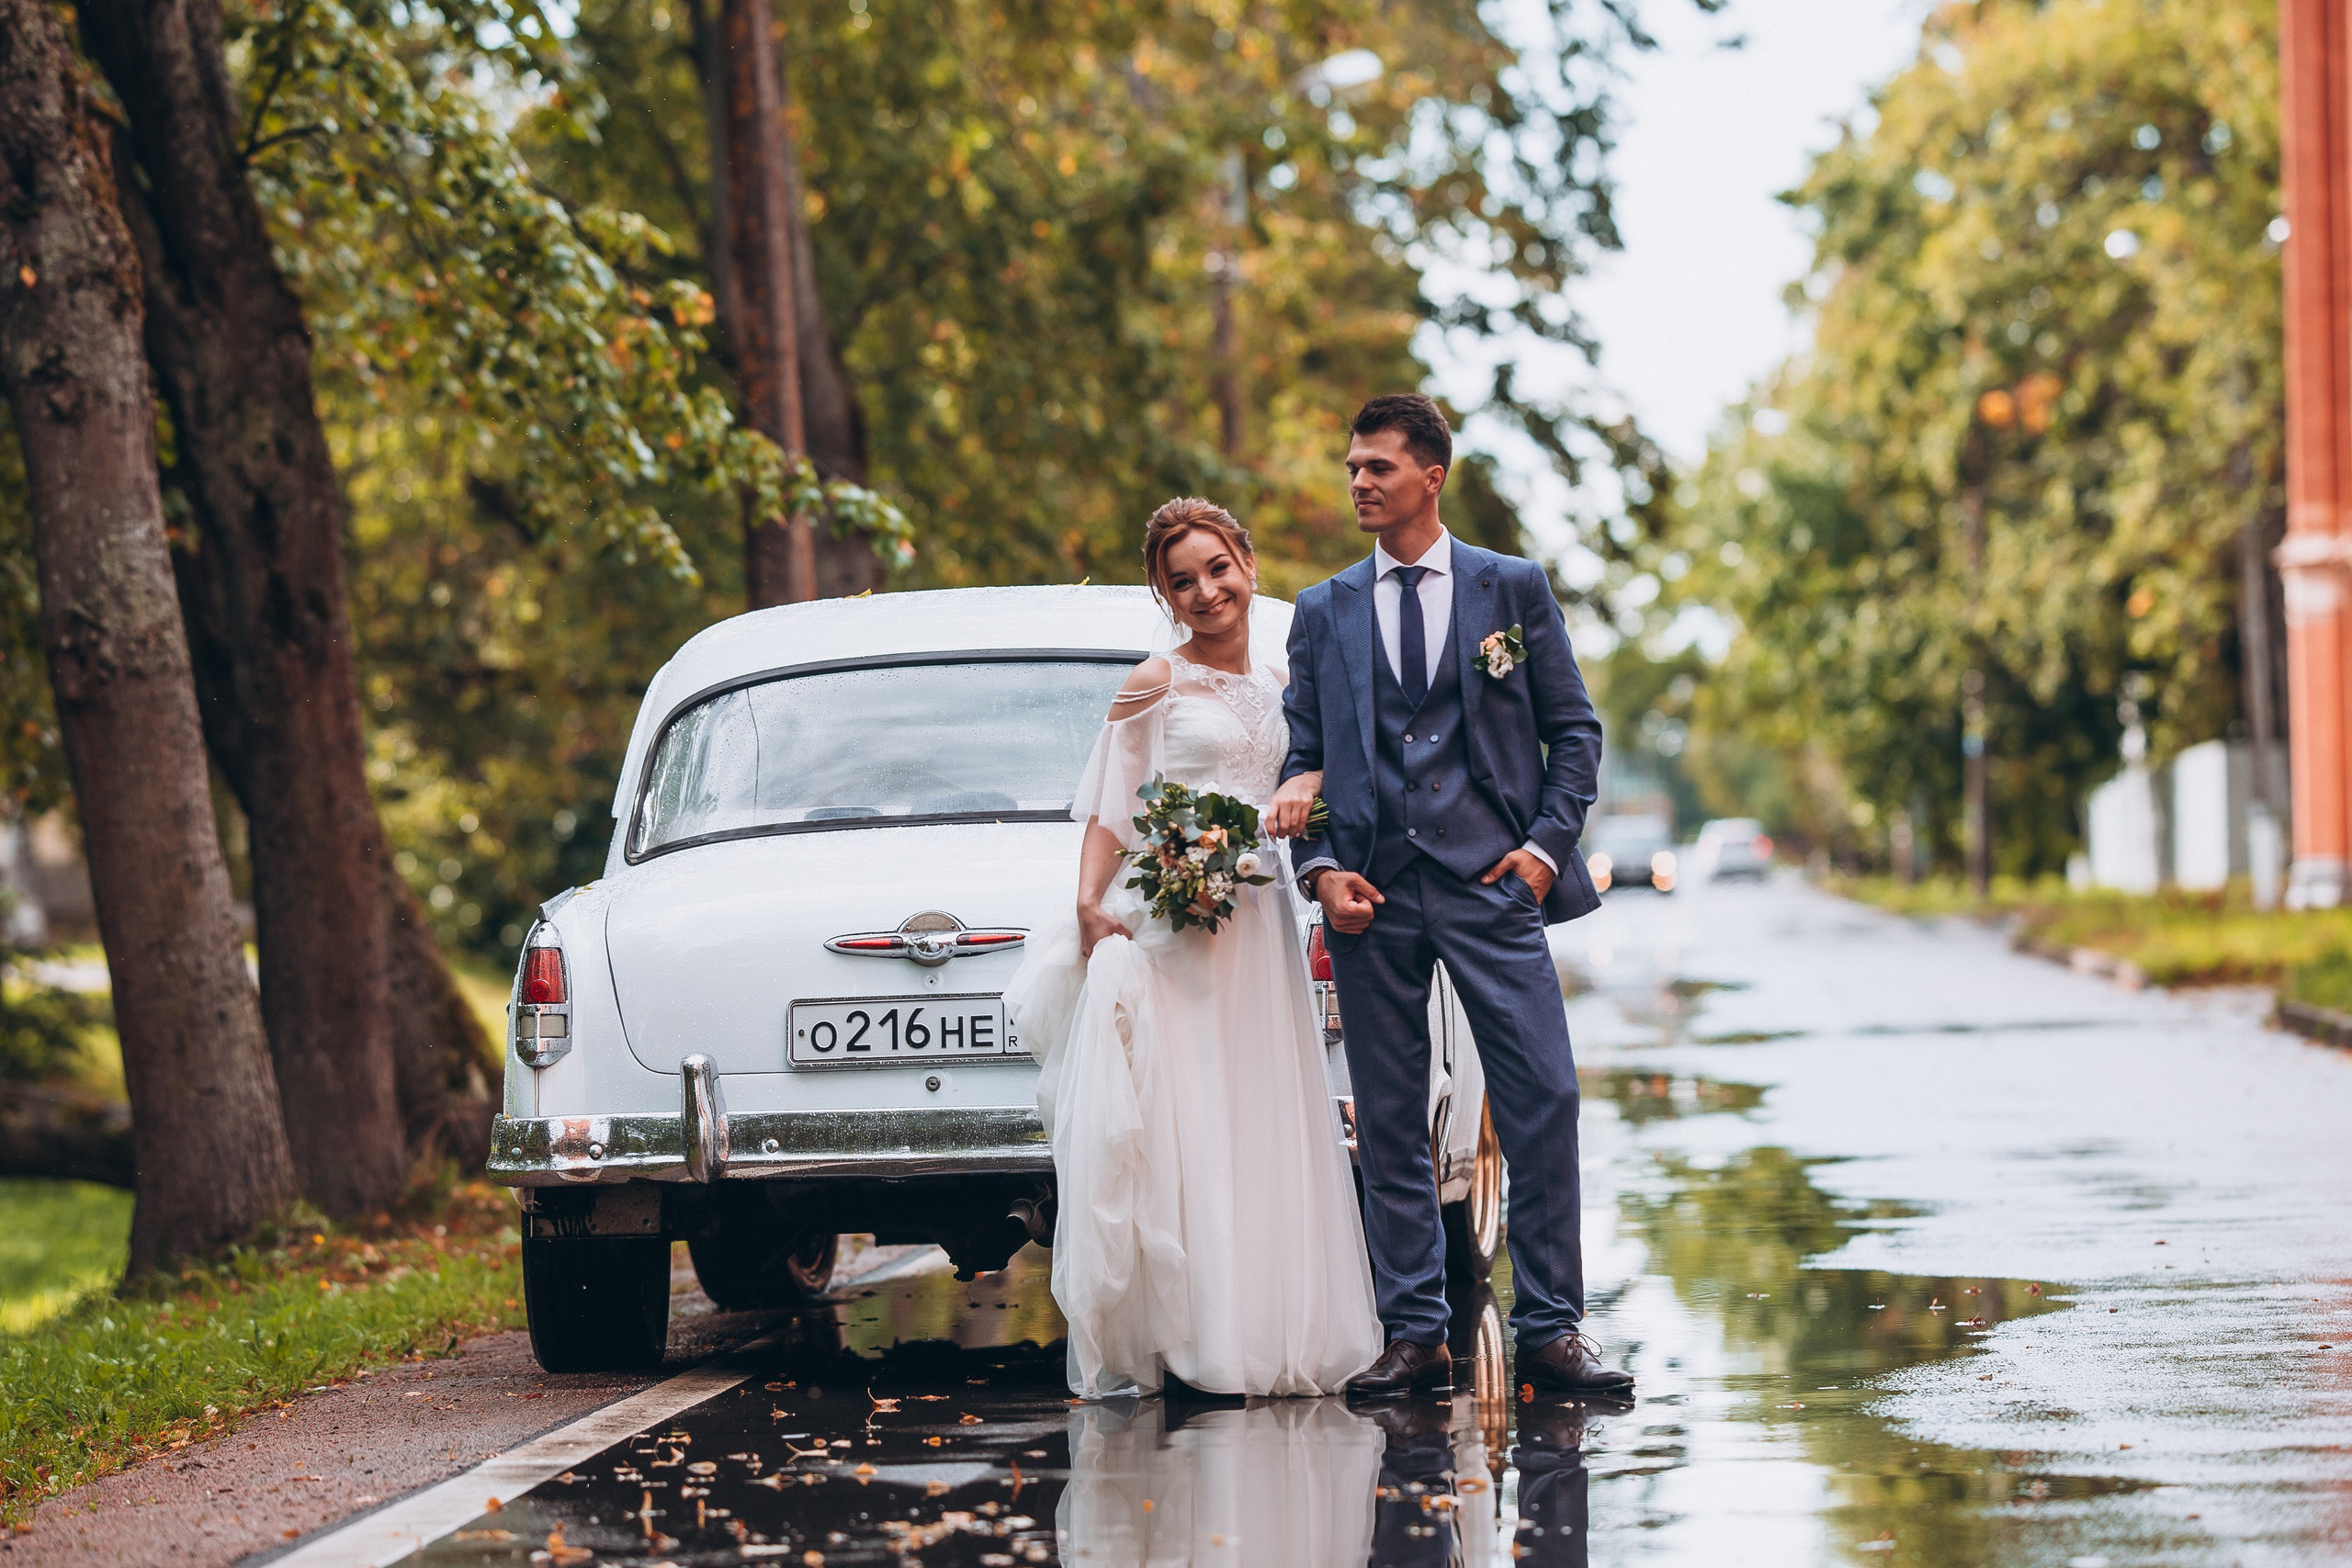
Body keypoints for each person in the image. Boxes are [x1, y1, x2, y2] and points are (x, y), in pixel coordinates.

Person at [1265, 393, 1634, 1399]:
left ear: (1431, 476)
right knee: (1389, 1116)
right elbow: (1303, 758)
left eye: (1377, 467)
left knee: (1543, 1096)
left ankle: (1553, 1329)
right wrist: (1320, 870)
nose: (1358, 482)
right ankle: (1415, 1332)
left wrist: (1542, 850)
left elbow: (1574, 731)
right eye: (1352, 467)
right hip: (1372, 891)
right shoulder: (1323, 609)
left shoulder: (1510, 587)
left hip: (1490, 884)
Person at [1006, 498, 1382, 1399]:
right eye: (1182, 581)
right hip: (1178, 927)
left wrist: (1308, 780)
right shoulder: (1153, 680)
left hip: (1260, 919)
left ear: (1247, 562)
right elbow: (1112, 808)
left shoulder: (1291, 677)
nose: (1205, 591)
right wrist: (1088, 902)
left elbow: (1322, 766)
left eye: (1217, 568)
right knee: (1194, 1118)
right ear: (1164, 595)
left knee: (1264, 1113)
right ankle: (1200, 1337)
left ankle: (1275, 1326)